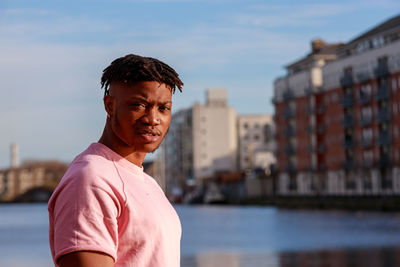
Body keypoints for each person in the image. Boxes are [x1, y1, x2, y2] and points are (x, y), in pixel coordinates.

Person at [48, 54, 184, 267]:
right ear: (110, 106)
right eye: (138, 105)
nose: (153, 119)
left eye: (163, 108)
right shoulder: (91, 180)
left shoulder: (147, 183)